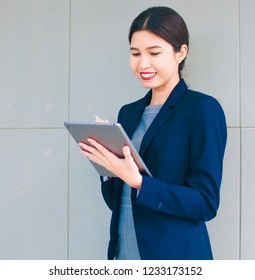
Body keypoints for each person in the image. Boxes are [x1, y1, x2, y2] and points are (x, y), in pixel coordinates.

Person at [79, 6, 227, 260]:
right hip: (125, 254)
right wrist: (106, 167)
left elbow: (205, 203)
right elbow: (117, 202)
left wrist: (139, 181)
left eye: (154, 53)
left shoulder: (202, 109)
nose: (142, 64)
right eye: (135, 53)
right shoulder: (128, 113)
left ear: (181, 53)